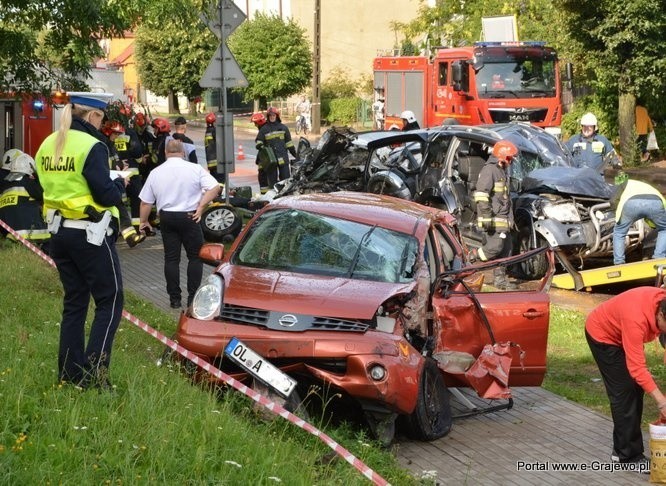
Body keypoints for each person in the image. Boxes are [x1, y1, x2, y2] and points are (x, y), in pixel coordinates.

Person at [34, 93, 126, 390]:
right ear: (92, 116)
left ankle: (69, 373)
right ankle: (96, 377)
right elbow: (105, 195)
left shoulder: (49, 142)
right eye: (102, 118)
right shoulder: (92, 145)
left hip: (60, 233)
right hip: (90, 234)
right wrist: (120, 183)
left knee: (75, 302)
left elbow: (41, 187)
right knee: (110, 300)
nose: (104, 125)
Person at [585, 286, 666, 472]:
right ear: (661, 315)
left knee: (637, 386)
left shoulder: (663, 302)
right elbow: (636, 368)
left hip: (623, 331)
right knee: (625, 392)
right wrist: (661, 401)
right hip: (603, 336)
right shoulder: (635, 319)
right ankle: (627, 456)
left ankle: (624, 449)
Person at [138, 139, 221, 309]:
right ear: (183, 152)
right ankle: (192, 298)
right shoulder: (195, 169)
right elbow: (214, 188)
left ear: (165, 153)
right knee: (195, 257)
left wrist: (143, 221)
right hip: (190, 216)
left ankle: (174, 299)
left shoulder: (156, 172)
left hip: (167, 218)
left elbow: (145, 202)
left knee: (171, 258)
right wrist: (201, 205)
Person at [471, 140, 518, 289]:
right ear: (501, 156)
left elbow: (505, 198)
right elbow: (481, 195)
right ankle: (471, 257)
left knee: (507, 250)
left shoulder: (501, 170)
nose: (510, 161)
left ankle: (501, 281)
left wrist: (510, 219)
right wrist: (486, 217)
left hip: (504, 220)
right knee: (494, 249)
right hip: (494, 219)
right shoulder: (489, 170)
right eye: (509, 157)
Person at [100, 121, 145, 248]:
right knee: (118, 208)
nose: (117, 137)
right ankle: (128, 237)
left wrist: (121, 168)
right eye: (115, 134)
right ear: (109, 132)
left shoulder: (110, 145)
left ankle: (130, 237)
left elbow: (114, 161)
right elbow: (102, 167)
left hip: (112, 180)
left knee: (120, 208)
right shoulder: (103, 145)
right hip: (106, 182)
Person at [0, 151, 50, 252]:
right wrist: (37, 177)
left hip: (10, 235)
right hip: (33, 236)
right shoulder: (28, 183)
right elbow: (45, 194)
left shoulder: (4, 187)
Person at [611, 178, 666, 264]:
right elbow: (663, 207)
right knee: (664, 229)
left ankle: (619, 262)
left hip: (631, 203)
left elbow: (613, 201)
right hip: (655, 202)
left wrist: (616, 214)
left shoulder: (624, 184)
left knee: (619, 232)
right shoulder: (650, 188)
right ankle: (659, 257)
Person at [256, 107, 298, 182]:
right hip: (271, 160)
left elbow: (289, 144)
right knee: (272, 182)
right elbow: (259, 140)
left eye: (273, 115)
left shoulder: (284, 128)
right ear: (268, 117)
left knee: (286, 181)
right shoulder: (264, 129)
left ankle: (285, 194)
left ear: (277, 116)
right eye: (270, 115)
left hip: (283, 158)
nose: (272, 117)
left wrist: (296, 155)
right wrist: (260, 146)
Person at [204, 112, 222, 183]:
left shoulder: (208, 131)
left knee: (214, 182)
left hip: (210, 163)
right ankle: (219, 193)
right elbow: (221, 143)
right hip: (217, 162)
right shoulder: (214, 131)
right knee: (221, 181)